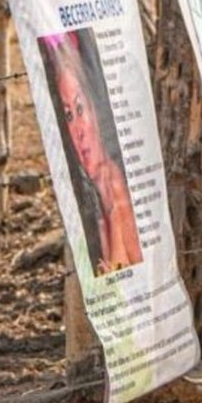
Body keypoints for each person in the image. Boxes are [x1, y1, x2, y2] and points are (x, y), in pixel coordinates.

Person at [40, 31, 142, 276]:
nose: (78, 131)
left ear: (95, 110)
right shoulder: (97, 200)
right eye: (67, 115)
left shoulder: (119, 191)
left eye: (79, 108)